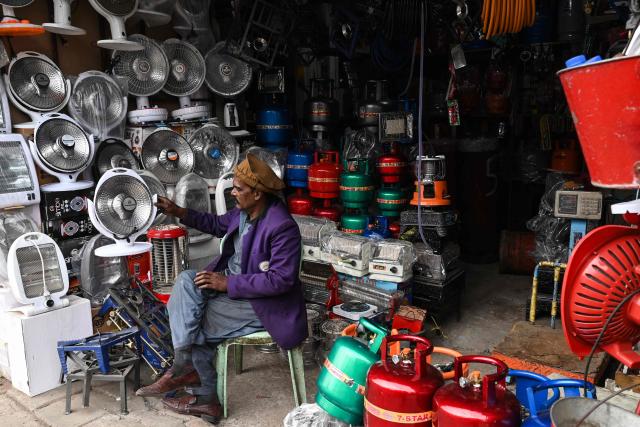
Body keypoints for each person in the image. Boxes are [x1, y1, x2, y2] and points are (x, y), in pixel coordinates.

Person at [136, 153, 307, 424]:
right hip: (233, 291)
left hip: (263, 304)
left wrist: (227, 282)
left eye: (239, 189)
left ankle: (204, 397)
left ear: (258, 193)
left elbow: (281, 280)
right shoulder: (245, 212)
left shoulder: (282, 226)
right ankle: (186, 366)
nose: (234, 193)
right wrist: (178, 211)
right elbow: (216, 225)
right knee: (185, 282)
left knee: (196, 323)